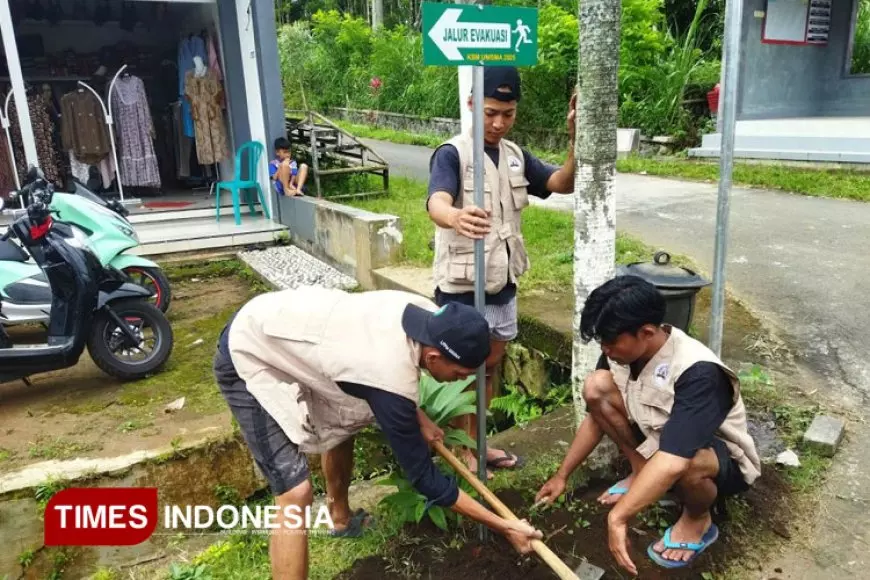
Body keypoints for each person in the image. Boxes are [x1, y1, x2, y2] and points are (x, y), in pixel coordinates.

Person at [214, 287, 543, 580]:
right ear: (432, 356)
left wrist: (419, 418)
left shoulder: (425, 316)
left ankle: (341, 520)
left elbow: (382, 376)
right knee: (294, 493)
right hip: (252, 347)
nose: (460, 380)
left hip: (305, 334)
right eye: (459, 373)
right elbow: (425, 479)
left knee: (345, 423)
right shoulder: (387, 376)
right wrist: (504, 526)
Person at [534, 276, 761, 574]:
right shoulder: (623, 351)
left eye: (611, 341)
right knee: (596, 387)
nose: (606, 349)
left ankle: (698, 519)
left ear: (647, 332)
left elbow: (675, 460)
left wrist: (618, 518)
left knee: (688, 462)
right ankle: (642, 471)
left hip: (717, 461)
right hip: (662, 442)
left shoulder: (699, 372)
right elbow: (596, 417)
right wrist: (562, 475)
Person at [426, 66, 577, 479]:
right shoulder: (452, 153)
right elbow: (436, 201)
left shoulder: (515, 155)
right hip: (461, 288)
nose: (497, 122)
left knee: (490, 368)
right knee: (462, 373)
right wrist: (455, 216)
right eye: (490, 111)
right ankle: (463, 453)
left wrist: (575, 139)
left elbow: (562, 183)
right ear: (473, 104)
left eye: (507, 114)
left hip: (502, 285)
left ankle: (479, 444)